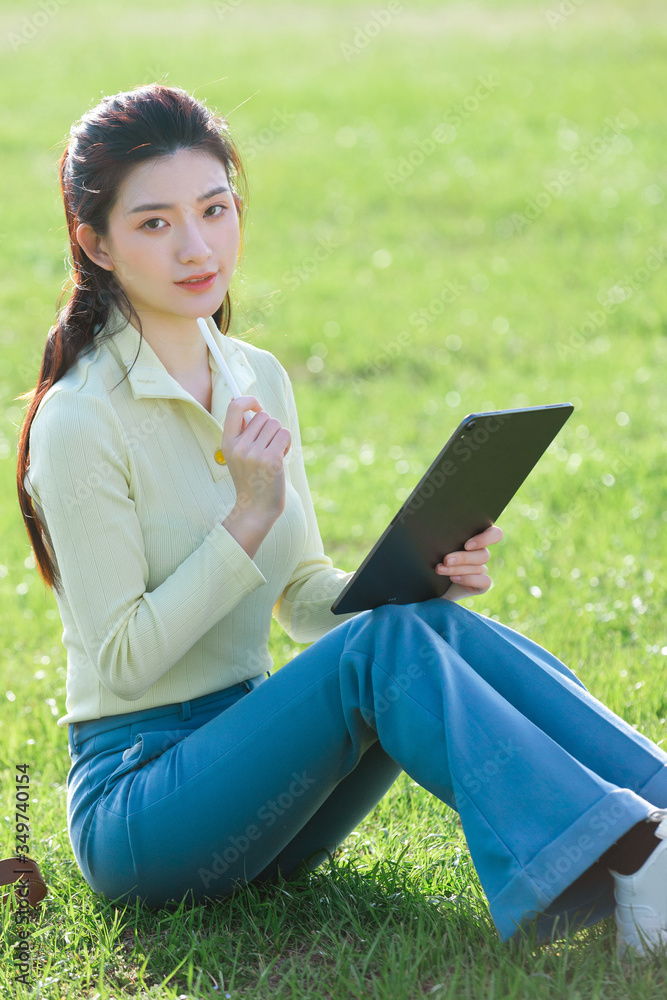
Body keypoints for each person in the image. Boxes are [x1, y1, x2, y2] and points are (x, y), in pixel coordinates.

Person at [15, 83, 667, 958]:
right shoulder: (80, 419)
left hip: (264, 790)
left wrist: (414, 577)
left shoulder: (255, 376)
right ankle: (626, 873)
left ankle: (654, 817)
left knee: (413, 624)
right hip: (143, 807)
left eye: (213, 209)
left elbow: (297, 595)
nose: (197, 246)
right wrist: (246, 515)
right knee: (381, 652)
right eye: (155, 223)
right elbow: (125, 664)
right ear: (95, 244)